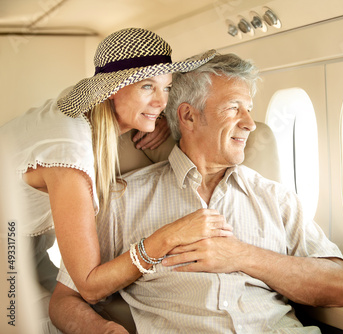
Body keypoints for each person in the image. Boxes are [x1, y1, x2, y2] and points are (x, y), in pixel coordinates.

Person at [53, 52, 343, 333]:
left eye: (249, 109)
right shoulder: (122, 200)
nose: (249, 123)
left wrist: (242, 256)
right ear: (189, 117)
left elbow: (341, 287)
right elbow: (65, 300)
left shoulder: (276, 198)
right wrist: (102, 330)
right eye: (234, 108)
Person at [0, 27, 230, 333]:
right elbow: (89, 285)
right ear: (110, 88)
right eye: (148, 86)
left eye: (167, 87)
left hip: (25, 240)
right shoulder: (70, 157)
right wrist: (168, 237)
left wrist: (154, 118)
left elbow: (146, 104)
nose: (162, 101)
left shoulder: (89, 108)